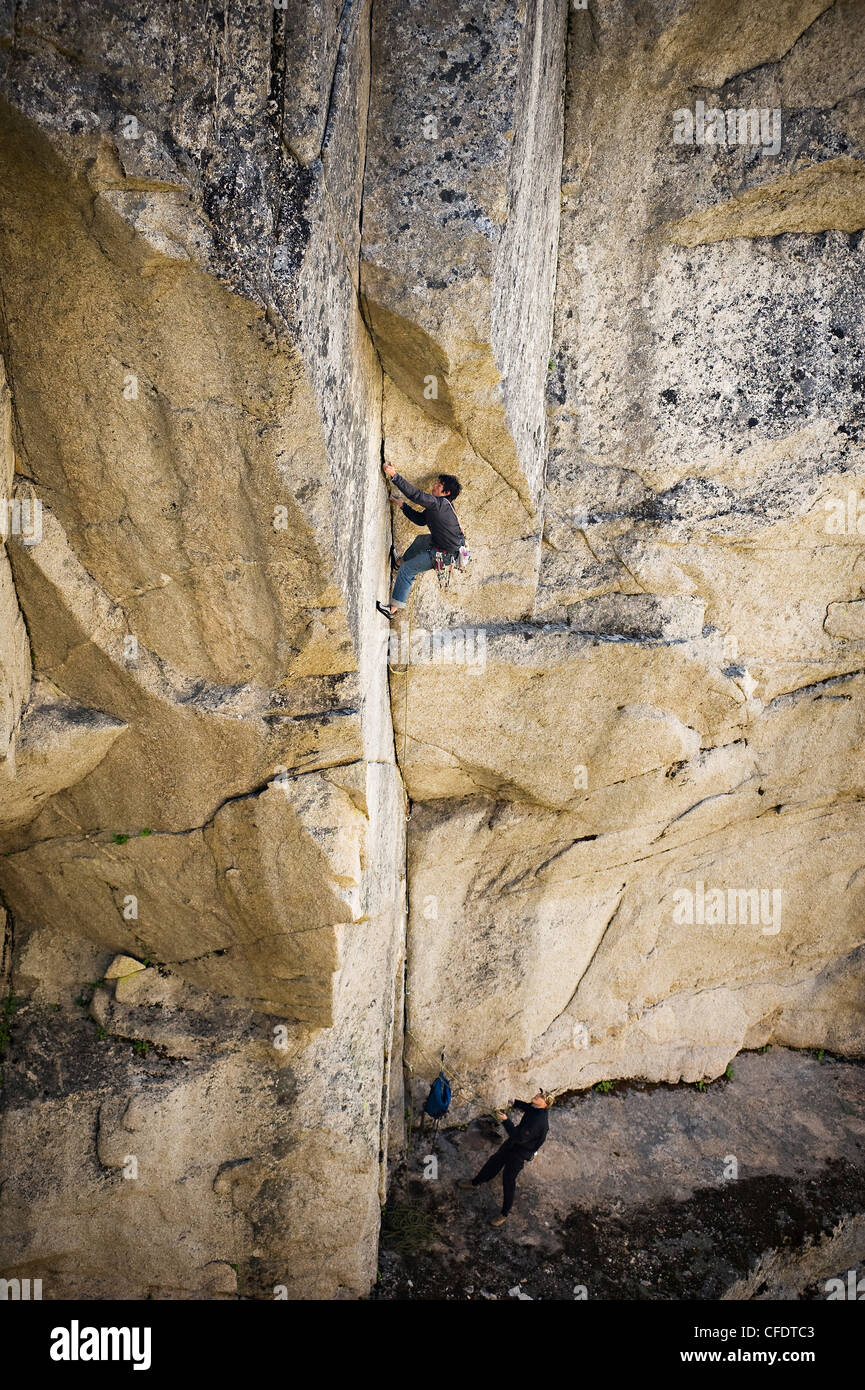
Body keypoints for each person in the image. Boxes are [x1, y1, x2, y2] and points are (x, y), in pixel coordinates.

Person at [376, 462, 464, 618]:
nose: (435, 485)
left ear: (446, 492)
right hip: (440, 544)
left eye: (439, 485)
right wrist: (402, 505)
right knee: (421, 540)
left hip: (444, 555)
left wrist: (394, 476)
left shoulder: (441, 504)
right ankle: (398, 563)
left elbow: (416, 495)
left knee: (408, 570)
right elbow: (421, 520)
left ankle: (392, 610)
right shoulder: (439, 506)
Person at [456, 1091, 550, 1227]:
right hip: (512, 1144)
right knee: (493, 1162)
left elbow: (519, 1137)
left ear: (545, 1104)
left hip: (520, 1152)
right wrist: (514, 1101)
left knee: (508, 1180)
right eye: (538, 1094)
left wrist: (506, 1121)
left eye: (541, 1097)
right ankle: (475, 1183)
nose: (537, 1095)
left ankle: (504, 1214)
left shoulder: (538, 1121)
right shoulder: (537, 1108)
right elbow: (528, 1107)